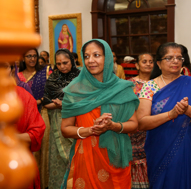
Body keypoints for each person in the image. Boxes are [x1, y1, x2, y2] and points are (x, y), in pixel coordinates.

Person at [60, 39, 139, 189]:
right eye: (87, 56)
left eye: (96, 55)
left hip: (116, 160)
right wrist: (90, 130)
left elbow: (134, 124)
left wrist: (113, 125)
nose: (91, 61)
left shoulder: (122, 88)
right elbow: (65, 129)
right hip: (87, 156)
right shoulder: (75, 89)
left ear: (107, 57)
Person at [137, 42, 191, 189]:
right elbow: (142, 123)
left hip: (190, 148)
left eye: (179, 58)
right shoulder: (149, 86)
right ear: (158, 63)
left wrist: (187, 110)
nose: (175, 61)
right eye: (169, 58)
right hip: (159, 148)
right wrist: (171, 114)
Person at [42, 49, 80, 189]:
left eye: (65, 62)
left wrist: (65, 104)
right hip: (58, 122)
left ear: (72, 60)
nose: (62, 66)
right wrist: (58, 105)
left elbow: (87, 100)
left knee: (77, 159)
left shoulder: (81, 77)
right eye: (58, 64)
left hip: (78, 121)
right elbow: (46, 102)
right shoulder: (52, 78)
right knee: (58, 158)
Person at [128, 53, 154, 189]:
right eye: (144, 61)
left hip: (154, 129)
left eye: (151, 61)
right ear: (137, 65)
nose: (148, 64)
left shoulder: (157, 83)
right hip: (135, 132)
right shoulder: (129, 85)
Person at [16, 86, 46, 189]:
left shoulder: (23, 96)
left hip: (18, 163)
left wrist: (9, 137)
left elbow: (36, 132)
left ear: (10, 70)